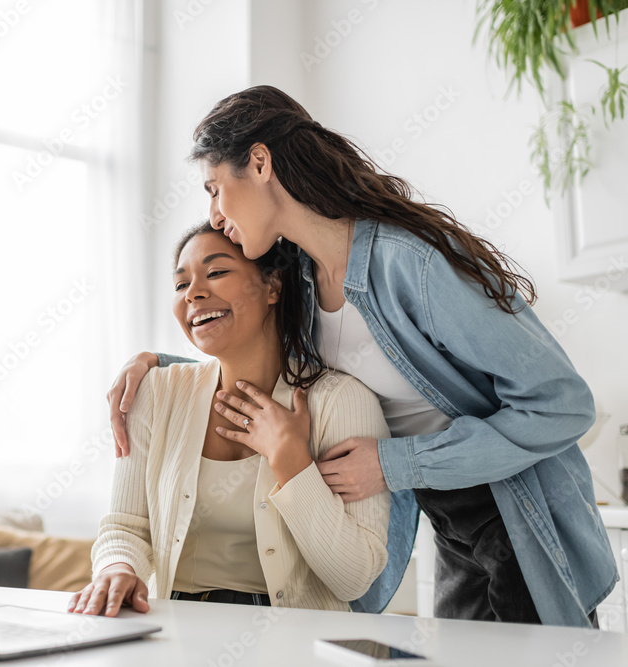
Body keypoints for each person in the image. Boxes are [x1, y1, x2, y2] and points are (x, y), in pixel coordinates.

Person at [106, 85, 615, 627]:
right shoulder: (303, 281)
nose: (213, 213)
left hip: (515, 514)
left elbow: (563, 406)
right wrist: (159, 364)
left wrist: (395, 464)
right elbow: (254, 356)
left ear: (259, 162)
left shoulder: (409, 265)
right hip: (444, 516)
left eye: (214, 188)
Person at [68, 221, 391, 617]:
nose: (194, 293)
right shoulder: (154, 392)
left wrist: (292, 462)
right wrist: (118, 567)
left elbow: (354, 579)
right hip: (174, 632)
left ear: (272, 286)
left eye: (216, 272)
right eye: (180, 284)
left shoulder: (343, 402)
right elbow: (126, 528)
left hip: (296, 645)